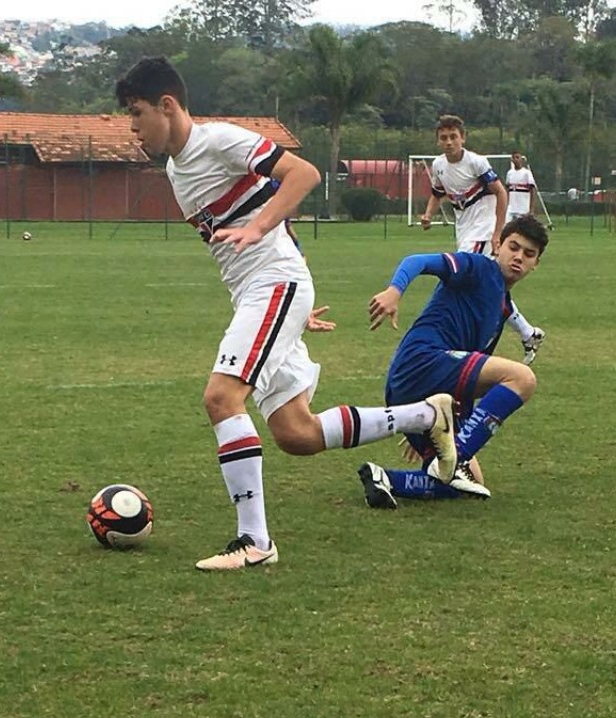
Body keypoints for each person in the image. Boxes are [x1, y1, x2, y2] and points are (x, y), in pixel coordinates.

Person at [116, 56, 460, 571]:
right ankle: (426, 415)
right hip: (270, 293)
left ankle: (254, 542)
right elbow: (264, 205)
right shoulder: (175, 168)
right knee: (296, 434)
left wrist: (266, 245)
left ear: (167, 105)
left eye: (137, 113)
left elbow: (302, 173)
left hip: (271, 287)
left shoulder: (220, 141)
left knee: (221, 398)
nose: (133, 128)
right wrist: (293, 307)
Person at [358, 214, 550, 509]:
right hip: (422, 361)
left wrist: (423, 421)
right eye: (514, 247)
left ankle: (385, 478)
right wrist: (394, 290)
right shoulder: (478, 267)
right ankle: (454, 457)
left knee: (471, 483)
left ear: (536, 264)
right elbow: (417, 261)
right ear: (497, 244)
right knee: (522, 378)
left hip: (429, 388)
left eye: (528, 254)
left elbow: (471, 377)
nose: (518, 257)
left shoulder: (501, 305)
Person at [420, 115, 545, 365]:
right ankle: (528, 332)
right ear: (437, 141)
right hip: (465, 226)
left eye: (453, 137)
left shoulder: (476, 162)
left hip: (484, 226)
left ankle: (460, 337)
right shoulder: (438, 165)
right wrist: (427, 214)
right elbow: (437, 193)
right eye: (443, 138)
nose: (449, 142)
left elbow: (500, 192)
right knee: (490, 283)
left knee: (472, 280)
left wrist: (497, 233)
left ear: (462, 138)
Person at [505, 152, 538, 222]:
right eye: (514, 158)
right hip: (511, 209)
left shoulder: (526, 173)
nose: (515, 159)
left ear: (521, 159)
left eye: (517, 157)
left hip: (523, 209)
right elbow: (507, 190)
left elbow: (532, 191)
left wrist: (531, 209)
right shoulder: (509, 173)